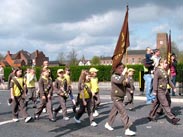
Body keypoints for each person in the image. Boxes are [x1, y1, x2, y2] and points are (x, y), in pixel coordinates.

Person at [104, 63, 136, 136]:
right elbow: (118, 81)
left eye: (122, 68)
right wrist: (124, 74)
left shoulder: (122, 77)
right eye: (120, 68)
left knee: (114, 112)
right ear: (115, 69)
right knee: (123, 112)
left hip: (121, 97)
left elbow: (126, 85)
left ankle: (108, 124)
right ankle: (127, 129)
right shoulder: (114, 76)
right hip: (116, 97)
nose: (121, 69)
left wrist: (128, 82)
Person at [148, 58, 180, 125]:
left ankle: (150, 115)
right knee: (165, 104)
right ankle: (172, 118)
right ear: (161, 63)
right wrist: (155, 91)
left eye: (166, 63)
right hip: (160, 90)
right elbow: (155, 81)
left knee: (160, 103)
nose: (166, 64)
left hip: (165, 90)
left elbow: (169, 81)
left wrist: (173, 87)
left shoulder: (164, 71)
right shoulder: (158, 71)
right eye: (165, 63)